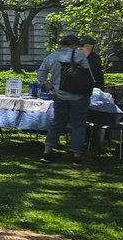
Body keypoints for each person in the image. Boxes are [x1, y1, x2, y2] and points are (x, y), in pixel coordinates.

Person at [38, 33, 95, 165]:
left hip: (59, 94)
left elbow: (41, 73)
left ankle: (47, 153)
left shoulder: (51, 56)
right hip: (79, 95)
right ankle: (76, 156)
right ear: (74, 44)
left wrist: (49, 85)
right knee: (78, 125)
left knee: (57, 122)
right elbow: (88, 75)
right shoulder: (79, 55)